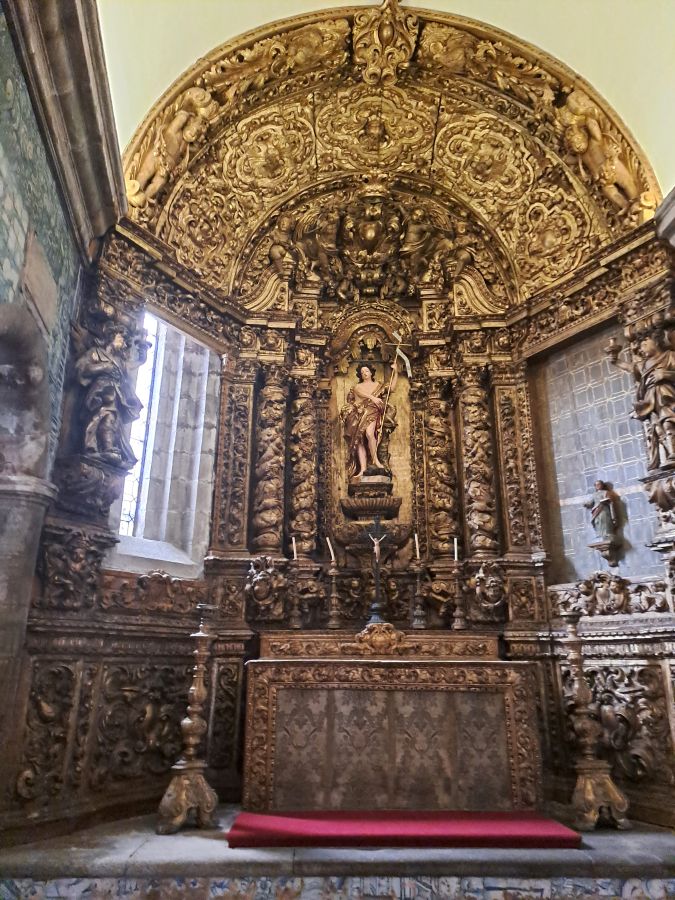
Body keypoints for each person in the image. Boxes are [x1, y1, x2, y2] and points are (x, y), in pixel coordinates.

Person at [341, 360, 397, 479]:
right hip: (359, 414)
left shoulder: (379, 385)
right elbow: (359, 393)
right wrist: (373, 398)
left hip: (372, 412)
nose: (364, 373)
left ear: (371, 372)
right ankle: (363, 468)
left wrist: (396, 371)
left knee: (369, 434)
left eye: (366, 371)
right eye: (362, 372)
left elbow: (391, 388)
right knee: (359, 440)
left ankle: (376, 461)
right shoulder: (357, 387)